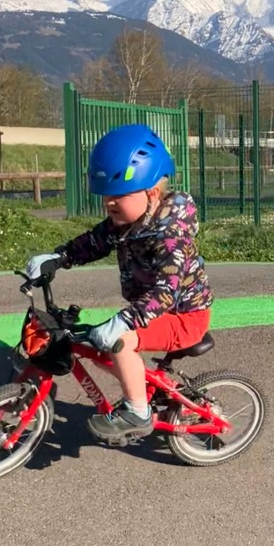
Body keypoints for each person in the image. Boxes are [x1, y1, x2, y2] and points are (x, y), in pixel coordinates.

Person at [25, 123, 212, 443]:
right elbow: (94, 242)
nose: (110, 203)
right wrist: (58, 258)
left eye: (120, 195)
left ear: (151, 191)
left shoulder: (170, 235)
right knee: (98, 342)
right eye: (106, 196)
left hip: (183, 316)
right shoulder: (126, 220)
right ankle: (141, 383)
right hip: (151, 310)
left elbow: (166, 292)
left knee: (120, 340)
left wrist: (125, 321)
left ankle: (138, 412)